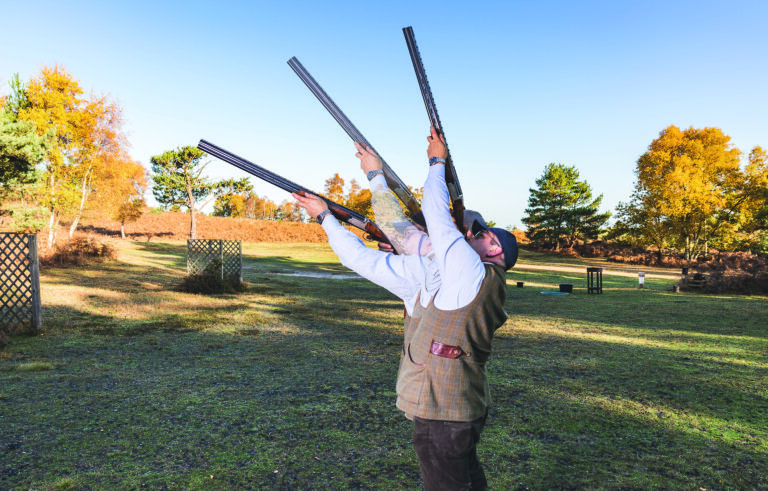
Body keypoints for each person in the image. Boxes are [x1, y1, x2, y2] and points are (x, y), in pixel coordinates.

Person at [292, 126, 518, 490]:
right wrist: (333, 211)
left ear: (495, 252)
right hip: (452, 412)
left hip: (444, 417)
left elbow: (436, 215)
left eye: (480, 234)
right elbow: (385, 237)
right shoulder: (434, 275)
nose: (468, 235)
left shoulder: (472, 269)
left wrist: (437, 161)